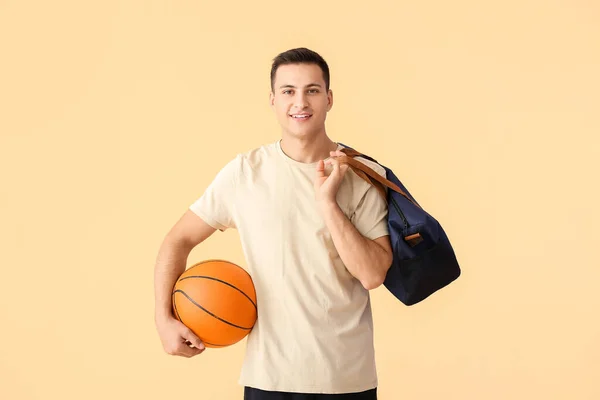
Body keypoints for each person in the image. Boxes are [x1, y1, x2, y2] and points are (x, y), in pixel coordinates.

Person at [154, 47, 393, 400]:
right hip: (269, 378)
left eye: (312, 90)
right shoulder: (245, 173)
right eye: (288, 91)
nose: (301, 102)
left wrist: (327, 202)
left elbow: (372, 275)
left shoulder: (363, 174)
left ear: (329, 99)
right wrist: (164, 319)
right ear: (272, 100)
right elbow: (177, 240)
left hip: (346, 378)